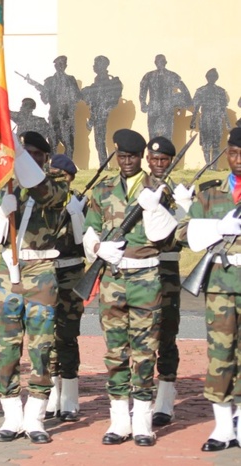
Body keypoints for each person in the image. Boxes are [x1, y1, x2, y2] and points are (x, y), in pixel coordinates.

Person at [83, 129, 178, 447]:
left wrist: (154, 207)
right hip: (112, 279)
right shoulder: (104, 188)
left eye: (132, 157)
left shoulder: (157, 189)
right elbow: (90, 229)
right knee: (115, 352)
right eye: (122, 156)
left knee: (143, 352)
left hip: (146, 280)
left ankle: (142, 422)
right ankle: (118, 421)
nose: (126, 162)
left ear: (141, 158)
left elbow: (166, 236)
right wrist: (97, 248)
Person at [0, 131, 68, 444]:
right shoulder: (6, 186)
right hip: (8, 270)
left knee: (42, 347)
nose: (29, 157)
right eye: (25, 151)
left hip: (41, 269)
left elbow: (44, 192)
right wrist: (4, 209)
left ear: (45, 158)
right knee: (6, 347)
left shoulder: (57, 183)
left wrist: (16, 152)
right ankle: (11, 416)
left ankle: (35, 417)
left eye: (35, 153)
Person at [175, 127, 241, 452]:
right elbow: (184, 231)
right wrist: (217, 227)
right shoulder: (211, 193)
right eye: (233, 152)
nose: (237, 159)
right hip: (221, 288)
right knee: (220, 355)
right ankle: (223, 427)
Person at [145, 137, 186, 427]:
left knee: (167, 335)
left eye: (165, 160)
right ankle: (139, 399)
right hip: (139, 269)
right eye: (155, 159)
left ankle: (165, 401)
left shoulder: (178, 191)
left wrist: (182, 209)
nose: (159, 165)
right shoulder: (136, 186)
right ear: (147, 158)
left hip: (167, 270)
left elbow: (184, 236)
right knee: (140, 337)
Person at [45, 154, 87, 422]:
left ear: (70, 178)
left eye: (61, 175)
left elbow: (85, 241)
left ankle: (70, 396)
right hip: (46, 270)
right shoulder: (43, 200)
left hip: (71, 272)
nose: (55, 178)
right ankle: (51, 394)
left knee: (67, 334)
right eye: (53, 173)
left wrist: (76, 214)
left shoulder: (81, 202)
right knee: (46, 335)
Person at [139, 54, 192, 141]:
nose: (160, 64)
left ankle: (166, 154)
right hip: (153, 109)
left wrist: (179, 103)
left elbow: (185, 91)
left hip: (167, 110)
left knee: (167, 138)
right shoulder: (148, 76)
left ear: (165, 62)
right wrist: (143, 103)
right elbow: (143, 90)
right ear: (155, 63)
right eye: (158, 62)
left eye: (162, 61)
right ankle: (153, 154)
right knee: (153, 137)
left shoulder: (172, 76)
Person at [81, 56, 123, 166]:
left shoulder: (110, 81)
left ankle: (104, 165)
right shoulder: (97, 82)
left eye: (96, 64)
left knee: (100, 140)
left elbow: (112, 99)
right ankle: (103, 164)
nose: (94, 66)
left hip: (103, 113)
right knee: (99, 141)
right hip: (97, 113)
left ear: (102, 66)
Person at [38, 56, 82, 159]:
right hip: (54, 117)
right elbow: (45, 101)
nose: (60, 66)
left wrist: (68, 99)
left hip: (67, 117)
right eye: (58, 64)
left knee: (70, 146)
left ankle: (67, 167)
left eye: (63, 64)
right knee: (52, 145)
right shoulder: (49, 81)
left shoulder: (71, 80)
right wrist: (44, 92)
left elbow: (78, 97)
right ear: (55, 66)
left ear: (66, 66)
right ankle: (53, 167)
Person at [190, 68, 232, 170]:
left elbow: (223, 108)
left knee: (216, 145)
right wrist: (193, 121)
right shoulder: (200, 91)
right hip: (205, 120)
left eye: (214, 76)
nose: (212, 78)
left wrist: (227, 123)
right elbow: (195, 108)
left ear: (216, 78)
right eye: (210, 76)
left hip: (217, 120)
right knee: (206, 145)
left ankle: (214, 166)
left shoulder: (221, 91)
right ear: (207, 77)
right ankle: (208, 166)